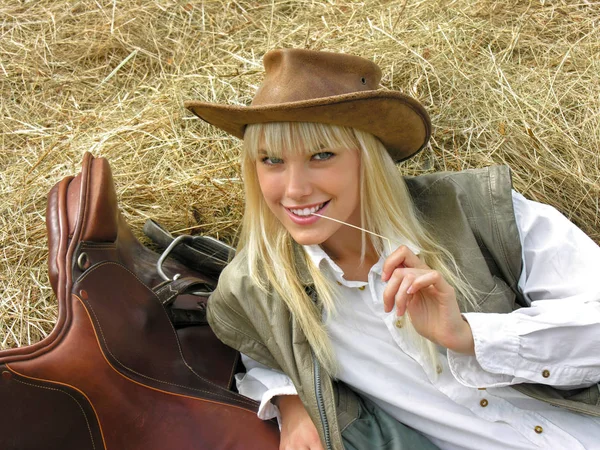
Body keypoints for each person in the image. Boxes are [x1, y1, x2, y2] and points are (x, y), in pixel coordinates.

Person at [184, 49, 600, 450]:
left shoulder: (483, 209)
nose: (294, 189)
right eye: (271, 160)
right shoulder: (258, 287)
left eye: (321, 155)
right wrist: (290, 401)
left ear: (368, 158)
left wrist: (470, 336)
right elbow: (260, 348)